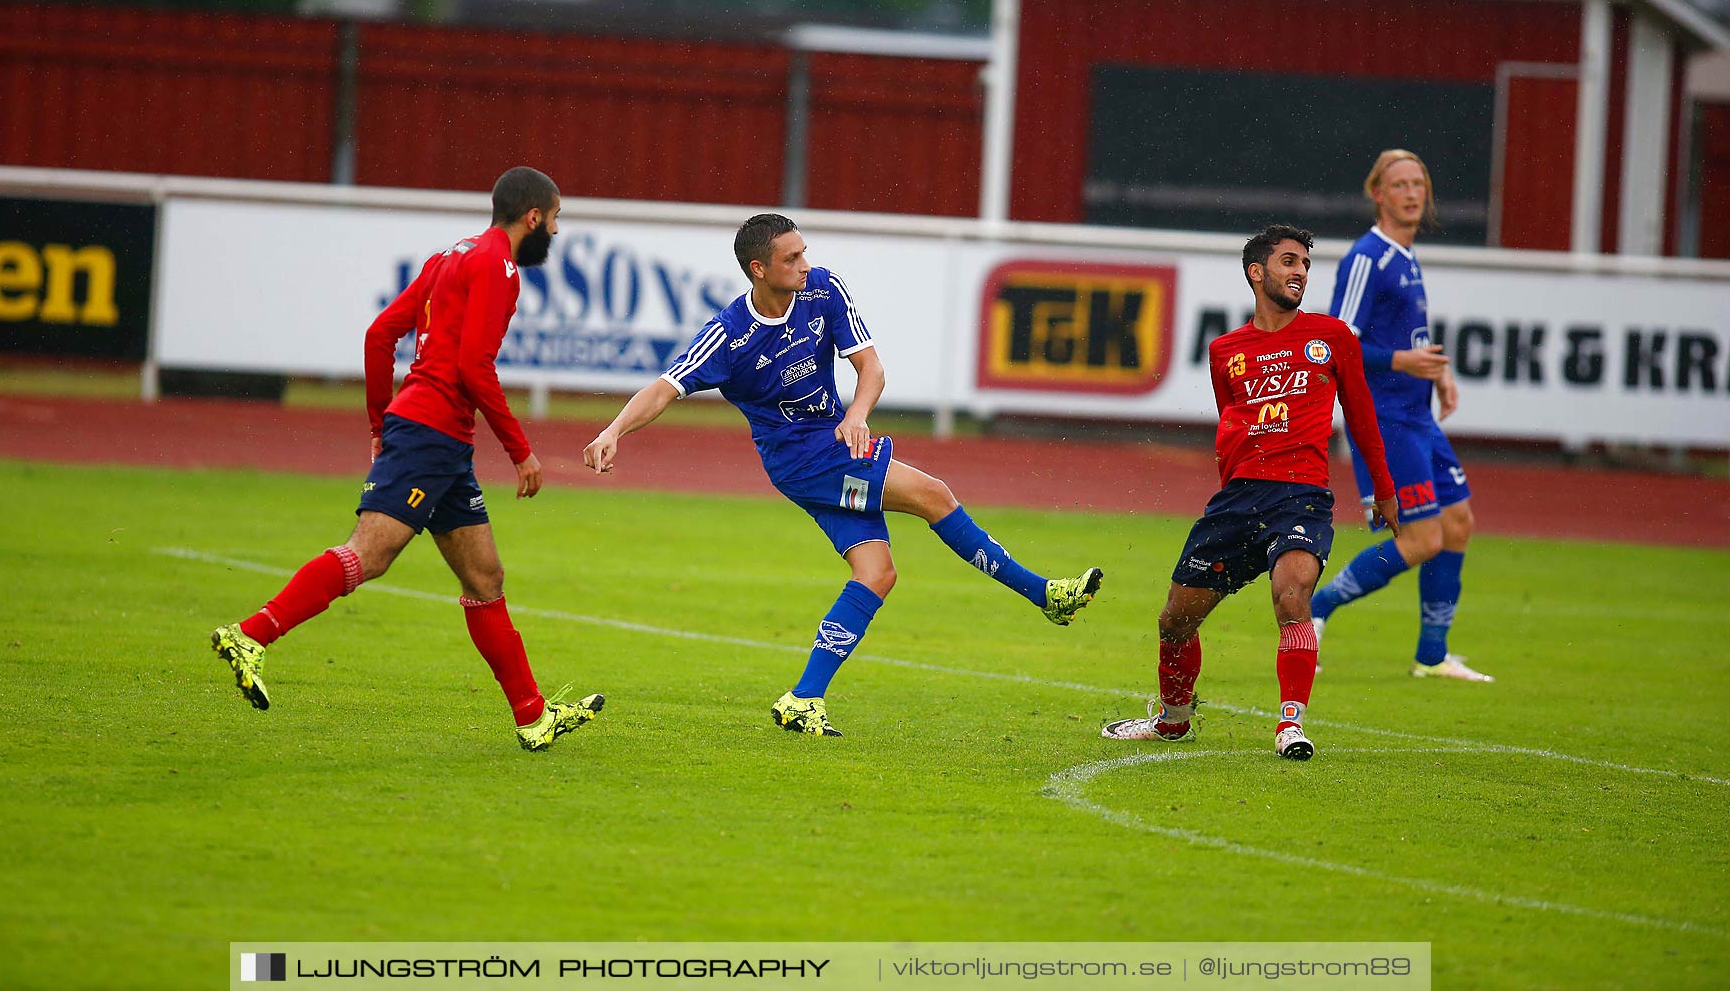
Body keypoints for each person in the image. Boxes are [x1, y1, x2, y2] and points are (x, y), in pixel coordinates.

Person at [581, 213, 1103, 738]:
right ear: (758, 269)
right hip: (803, 462)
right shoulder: (728, 335)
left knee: (876, 574)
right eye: (792, 258)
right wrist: (613, 431)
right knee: (934, 495)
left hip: (835, 440)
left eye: (805, 252)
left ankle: (803, 699)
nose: (805, 265)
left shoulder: (823, 290)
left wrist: (856, 415)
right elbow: (663, 388)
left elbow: (871, 368)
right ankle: (1045, 595)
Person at [210, 166, 605, 751]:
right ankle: (253, 633)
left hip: (433, 437)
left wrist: (379, 424)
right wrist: (521, 452)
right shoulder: (497, 267)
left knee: (484, 576)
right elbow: (474, 367)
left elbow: (379, 335)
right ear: (534, 217)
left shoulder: (449, 256)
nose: (556, 227)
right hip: (432, 435)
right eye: (556, 217)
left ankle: (532, 716)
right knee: (369, 555)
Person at [1102, 224, 1399, 760]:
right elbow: (1232, 426)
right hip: (1238, 501)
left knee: (1292, 595)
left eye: (1305, 265)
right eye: (1289, 262)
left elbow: (1361, 418)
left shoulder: (1332, 338)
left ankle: (1290, 725)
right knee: (1175, 620)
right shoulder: (1225, 351)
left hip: (1302, 495)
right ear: (1256, 272)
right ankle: (1173, 721)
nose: (1301, 273)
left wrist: (1383, 490)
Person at [1310, 150, 1492, 681]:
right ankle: (1317, 609)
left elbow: (1405, 338)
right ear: (1380, 195)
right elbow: (1334, 341)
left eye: (1419, 184)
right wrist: (1400, 362)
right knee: (1422, 540)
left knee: (1458, 523)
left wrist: (1436, 371)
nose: (1412, 193)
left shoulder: (1407, 257)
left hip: (1418, 414)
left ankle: (1432, 655)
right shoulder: (1369, 257)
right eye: (1400, 184)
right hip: (1385, 419)